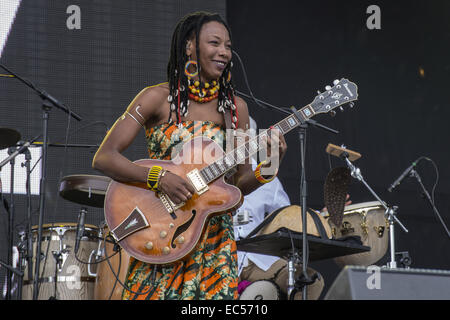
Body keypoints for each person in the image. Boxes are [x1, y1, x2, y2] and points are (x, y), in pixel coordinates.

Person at [92, 11, 287, 300]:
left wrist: (270, 165)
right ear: (190, 47)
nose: (224, 52)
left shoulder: (236, 110)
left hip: (213, 246)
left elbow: (237, 186)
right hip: (161, 234)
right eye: (214, 43)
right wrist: (158, 177)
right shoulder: (156, 98)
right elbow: (105, 157)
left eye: (228, 46)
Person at [234, 118, 324, 300]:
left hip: (259, 259)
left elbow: (288, 218)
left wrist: (322, 219)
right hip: (220, 256)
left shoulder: (266, 175)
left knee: (310, 280)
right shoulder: (205, 168)